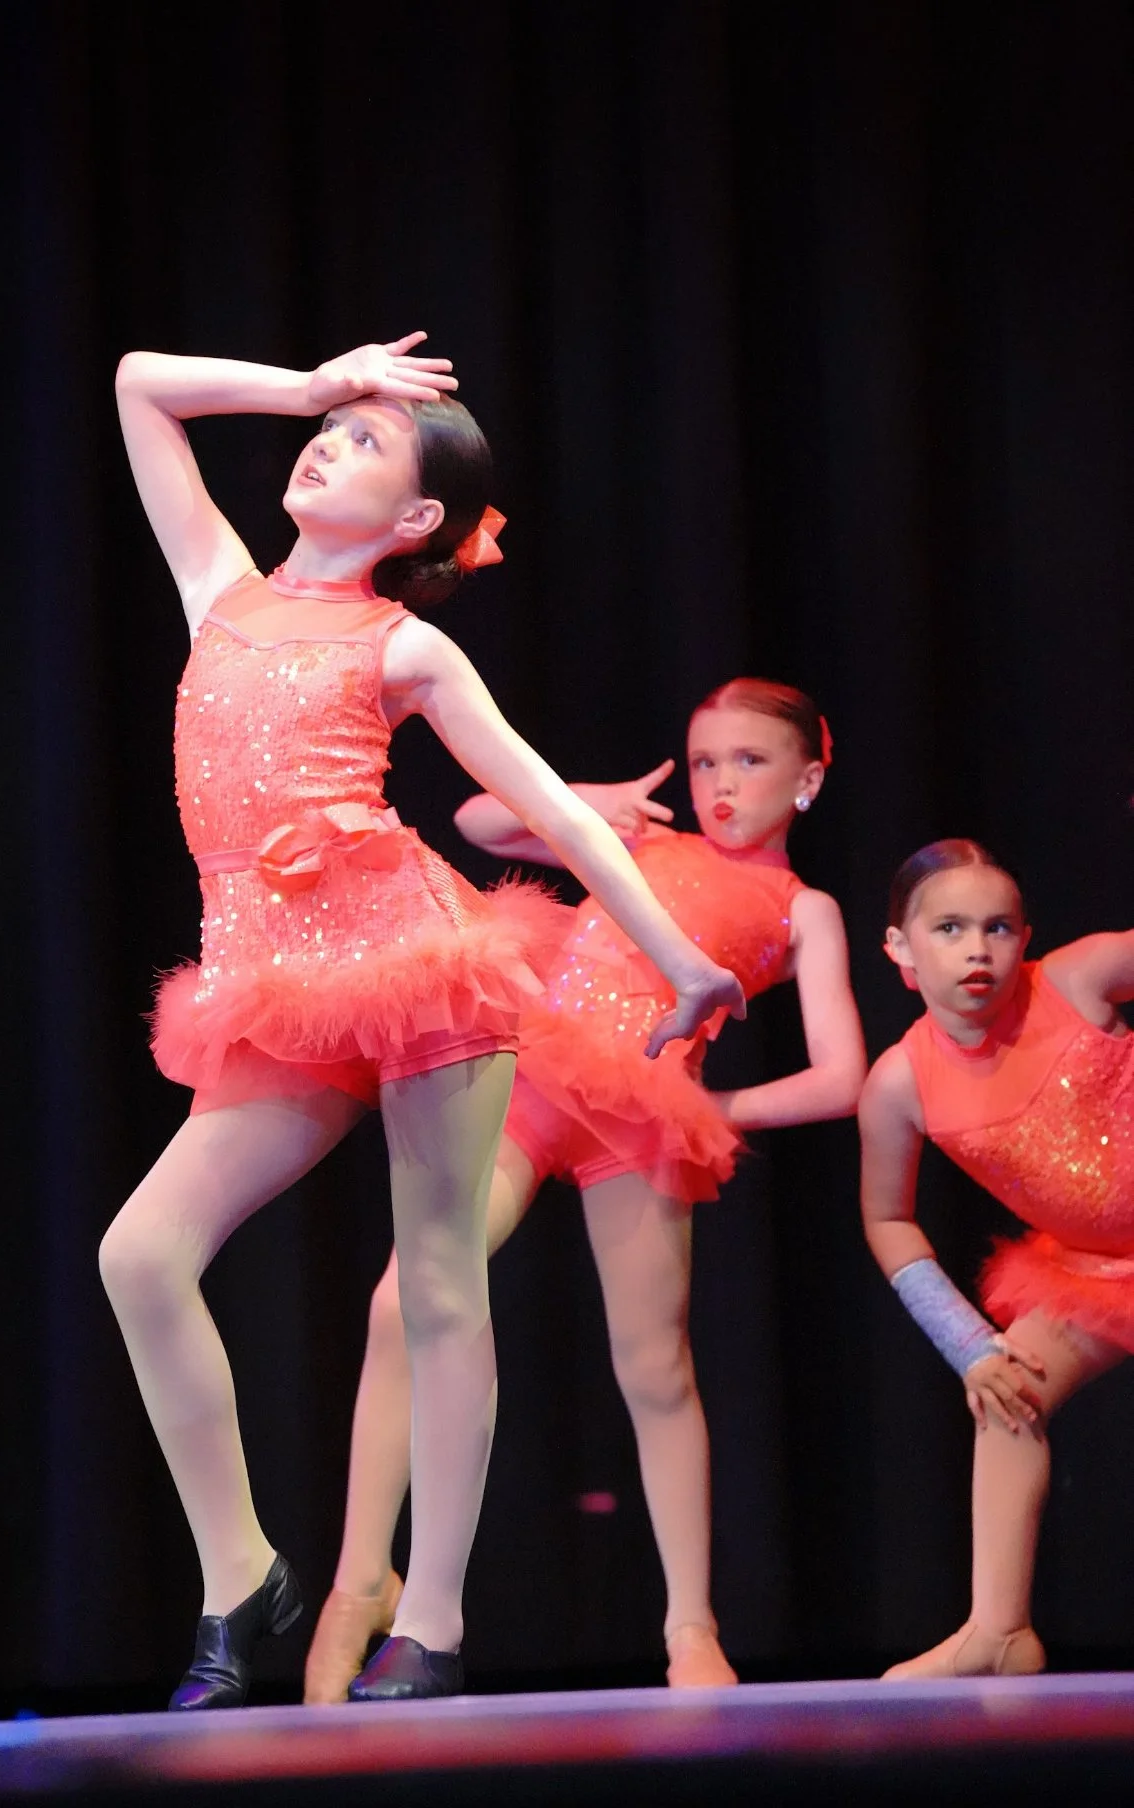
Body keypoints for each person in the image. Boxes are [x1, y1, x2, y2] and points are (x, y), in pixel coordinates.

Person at [98, 333, 745, 1706]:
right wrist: (318, 384)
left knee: (438, 1283)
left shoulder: (406, 642)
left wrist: (677, 958)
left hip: (414, 963)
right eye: (331, 430)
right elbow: (139, 381)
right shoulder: (216, 583)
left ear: (413, 524)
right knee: (141, 1256)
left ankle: (432, 1622)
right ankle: (240, 1575)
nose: (328, 441)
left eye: (366, 442)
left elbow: (559, 810)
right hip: (272, 986)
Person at [304, 679, 864, 1700]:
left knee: (654, 1367)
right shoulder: (638, 845)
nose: (720, 784)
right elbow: (477, 816)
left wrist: (702, 1107)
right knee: (403, 1299)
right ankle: (359, 1577)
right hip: (536, 1077)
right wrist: (591, 797)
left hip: (641, 1122)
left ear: (809, 777)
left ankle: (690, 1623)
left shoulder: (803, 908)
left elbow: (842, 1077)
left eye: (749, 761)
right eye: (704, 762)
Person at [859, 838, 1134, 1678]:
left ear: (1025, 937)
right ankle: (1000, 1632)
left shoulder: (1082, 979)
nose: (977, 950)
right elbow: (888, 1219)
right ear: (901, 949)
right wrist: (967, 1345)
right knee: (1009, 1391)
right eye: (948, 928)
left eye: (997, 928)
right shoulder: (900, 1083)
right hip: (1094, 1273)